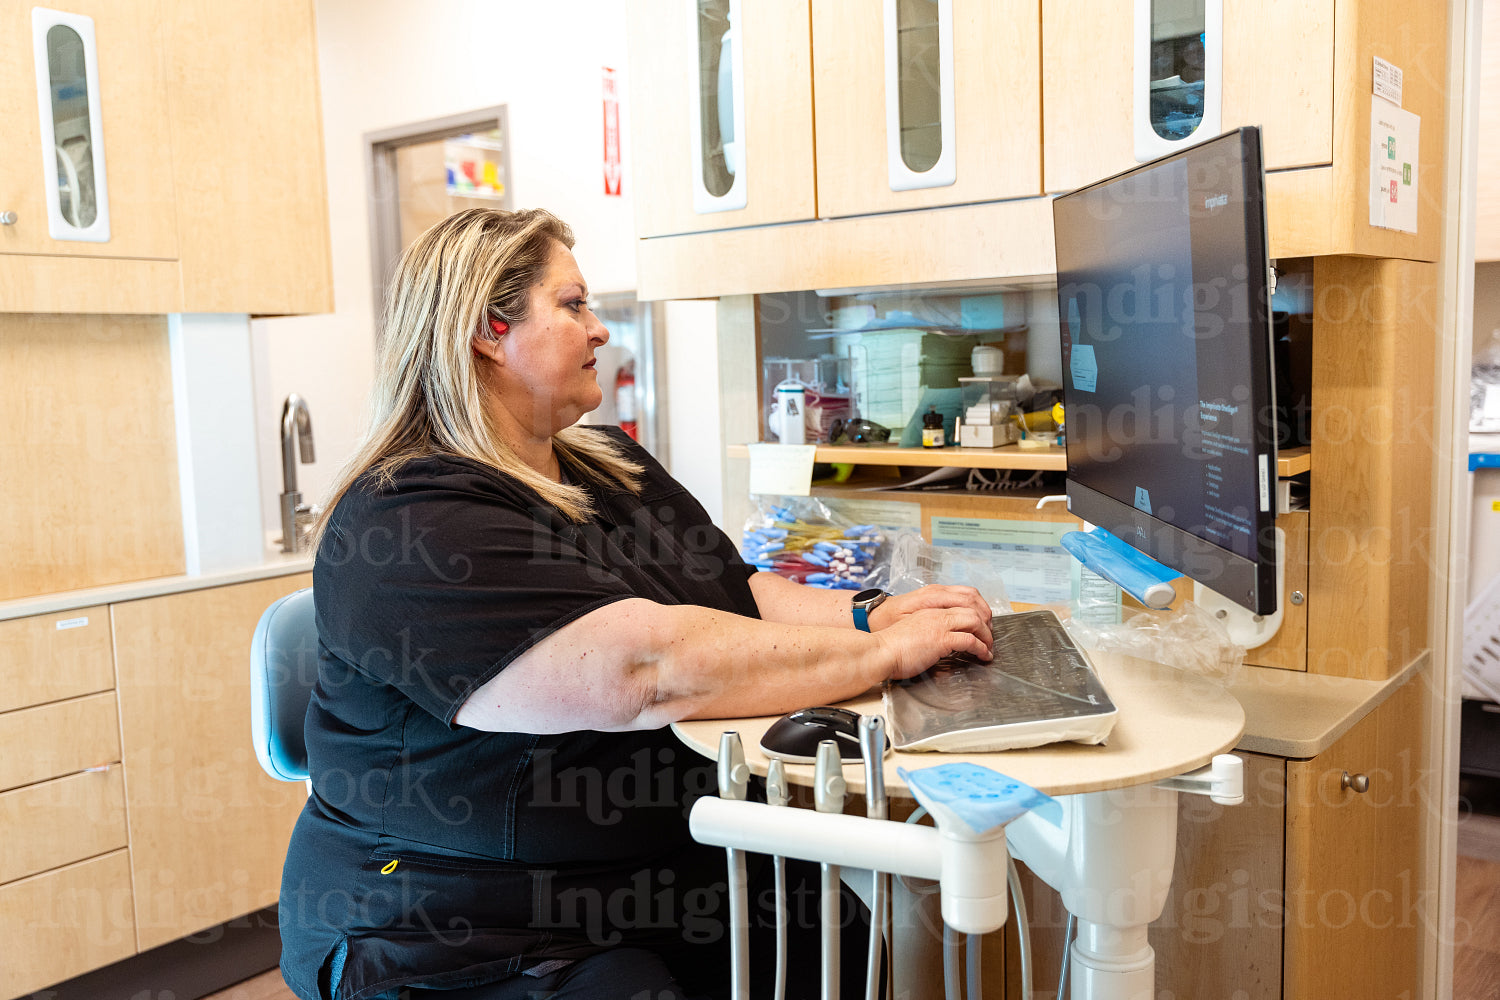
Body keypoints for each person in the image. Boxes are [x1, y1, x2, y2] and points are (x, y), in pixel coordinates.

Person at [278, 207, 995, 1000]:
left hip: (639, 872)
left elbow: (737, 589)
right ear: (489, 330)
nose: (599, 330)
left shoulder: (605, 462)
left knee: (830, 926)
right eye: (573, 305)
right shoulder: (408, 521)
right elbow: (644, 669)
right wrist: (886, 657)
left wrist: (869, 616)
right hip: (453, 918)